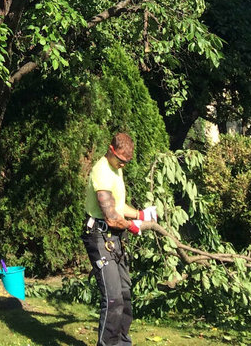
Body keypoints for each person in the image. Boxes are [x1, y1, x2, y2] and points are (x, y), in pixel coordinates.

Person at [82, 131, 157, 346]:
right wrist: (132, 227)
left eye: (127, 162)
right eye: (121, 160)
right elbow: (111, 216)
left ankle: (123, 343)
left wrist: (141, 215)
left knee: (124, 295)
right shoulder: (102, 172)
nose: (124, 165)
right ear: (111, 150)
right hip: (98, 235)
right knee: (113, 298)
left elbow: (119, 207)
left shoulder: (116, 169)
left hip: (114, 238)